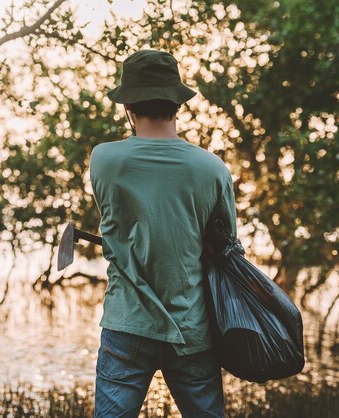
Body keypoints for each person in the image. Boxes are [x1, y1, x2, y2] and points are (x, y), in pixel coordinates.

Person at [89, 49, 238, 417]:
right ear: (178, 104)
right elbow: (228, 248)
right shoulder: (213, 168)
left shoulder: (104, 160)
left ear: (128, 106)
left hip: (128, 325)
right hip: (193, 327)